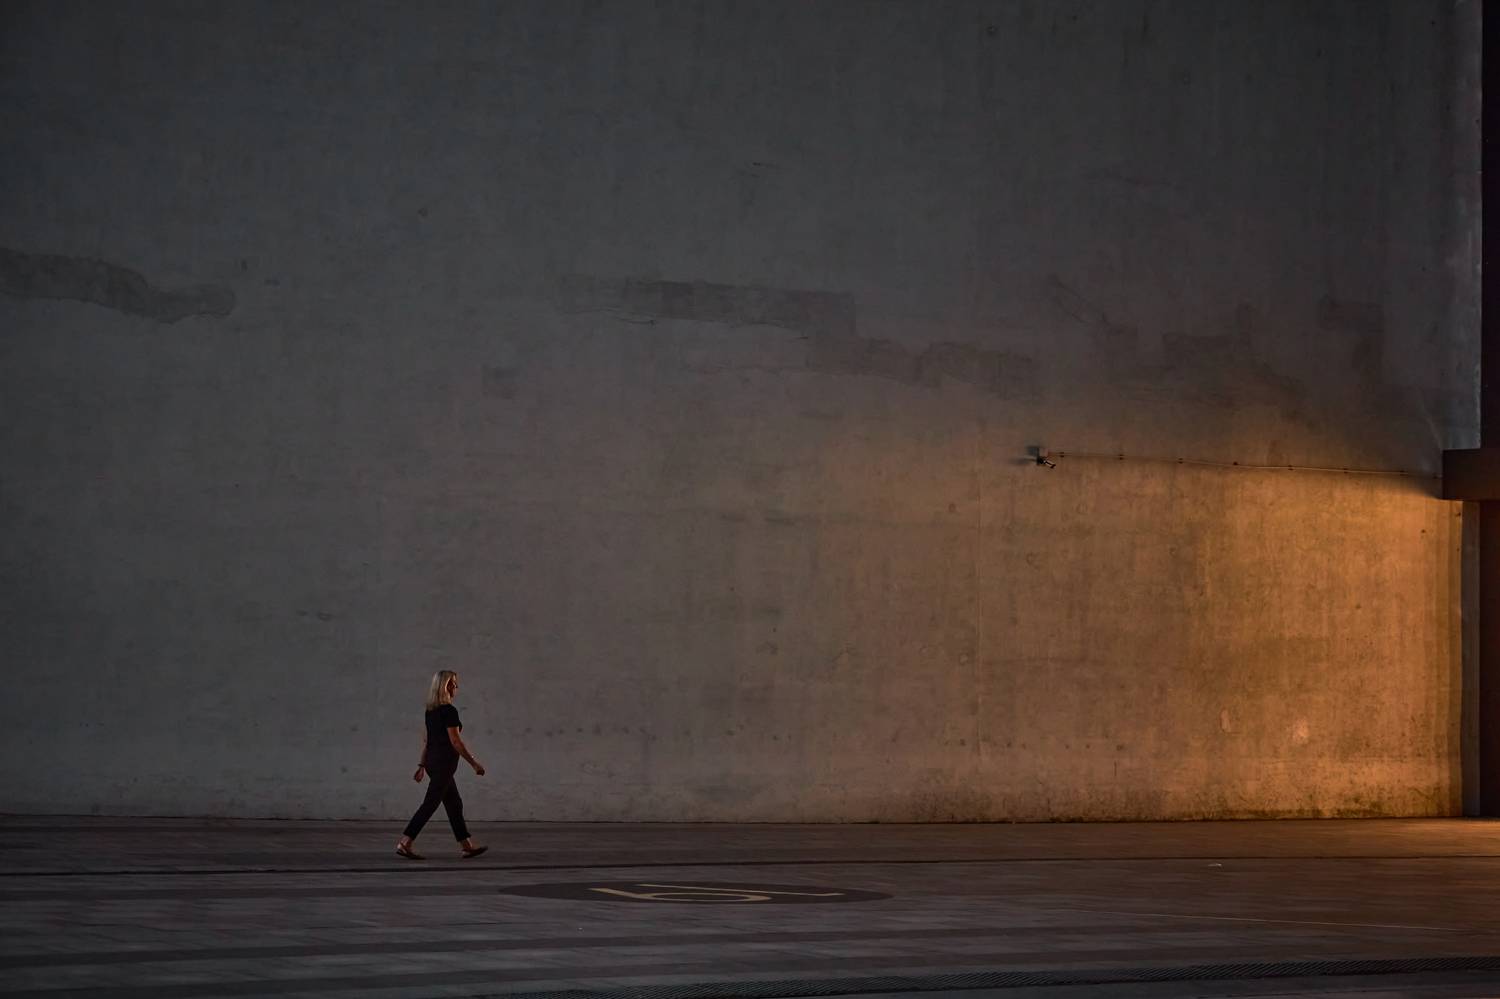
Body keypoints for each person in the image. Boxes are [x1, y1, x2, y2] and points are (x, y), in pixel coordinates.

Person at [396, 670, 488, 860]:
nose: (456, 686)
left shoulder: (430, 712)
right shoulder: (449, 711)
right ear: (445, 686)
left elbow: (428, 741)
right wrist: (474, 763)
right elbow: (456, 742)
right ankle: (405, 842)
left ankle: (466, 846)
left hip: (433, 763)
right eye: (453, 683)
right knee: (430, 803)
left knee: (454, 803)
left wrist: (422, 765)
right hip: (444, 764)